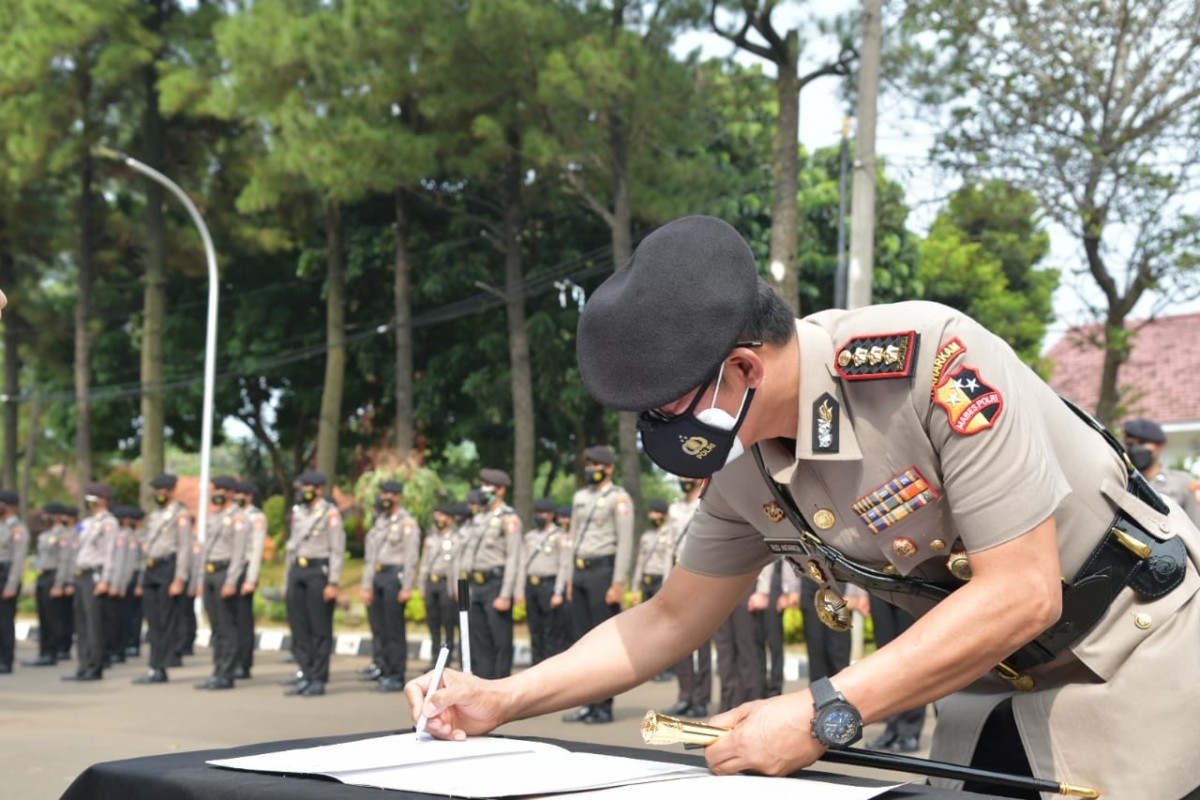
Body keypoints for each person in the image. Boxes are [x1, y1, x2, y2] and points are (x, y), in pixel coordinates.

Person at [405, 215, 1200, 800]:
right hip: (994, 681)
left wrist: (821, 712)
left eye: (666, 408)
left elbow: (1022, 589)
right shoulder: (742, 464)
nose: (660, 430)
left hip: (1139, 648)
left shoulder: (928, 366)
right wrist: (502, 698)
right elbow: (668, 618)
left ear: (742, 367)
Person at [561, 445, 634, 725]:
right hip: (580, 572)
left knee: (602, 643)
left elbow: (625, 542)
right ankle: (585, 702)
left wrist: (618, 582)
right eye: (588, 464)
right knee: (581, 642)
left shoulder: (619, 499)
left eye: (596, 465)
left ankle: (603, 705)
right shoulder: (580, 497)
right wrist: (568, 577)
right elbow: (573, 538)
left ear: (610, 468)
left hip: (602, 572)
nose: (591, 469)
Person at [454, 469, 521, 679]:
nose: (483, 490)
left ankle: (501, 690)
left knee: (500, 641)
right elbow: (468, 555)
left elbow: (513, 558)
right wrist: (463, 585)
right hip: (476, 585)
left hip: (496, 583)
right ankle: (483, 687)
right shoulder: (479, 518)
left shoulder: (509, 519)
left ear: (500, 490)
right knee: (479, 640)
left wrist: (505, 593)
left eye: (488, 486)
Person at [283, 470, 344, 697]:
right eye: (303, 486)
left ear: (318, 489)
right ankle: (306, 673)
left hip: (319, 572)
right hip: (298, 571)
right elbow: (292, 547)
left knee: (319, 628)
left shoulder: (330, 514)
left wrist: (333, 582)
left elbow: (337, 550)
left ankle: (318, 678)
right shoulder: (299, 512)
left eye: (309, 487)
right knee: (299, 627)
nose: (304, 491)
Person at [359, 480, 419, 692]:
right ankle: (383, 669)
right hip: (378, 576)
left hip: (395, 577)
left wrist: (407, 586)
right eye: (382, 493)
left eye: (389, 494)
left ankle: (396, 674)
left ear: (398, 496)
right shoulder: (380, 521)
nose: (384, 497)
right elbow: (370, 557)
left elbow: (411, 557)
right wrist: (366, 585)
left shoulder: (407, 523)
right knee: (379, 627)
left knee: (394, 630)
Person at [660, 477, 712, 718]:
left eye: (688, 478)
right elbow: (668, 546)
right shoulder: (675, 508)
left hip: (700, 574)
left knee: (700, 642)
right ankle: (684, 695)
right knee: (678, 639)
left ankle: (701, 698)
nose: (684, 481)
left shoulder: (707, 503)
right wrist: (665, 580)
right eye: (681, 478)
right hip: (677, 573)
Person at [135, 474, 193, 685]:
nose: (160, 494)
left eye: (164, 490)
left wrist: (180, 578)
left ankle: (161, 666)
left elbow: (185, 548)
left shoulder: (181, 515)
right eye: (157, 490)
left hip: (169, 567)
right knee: (153, 620)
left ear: (172, 491)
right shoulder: (155, 515)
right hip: (152, 568)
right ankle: (154, 665)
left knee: (165, 619)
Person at [196, 476, 249, 690]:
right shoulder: (214, 516)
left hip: (225, 573)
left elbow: (239, 554)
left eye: (220, 489)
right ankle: (217, 670)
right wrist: (200, 578)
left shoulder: (238, 518)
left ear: (230, 492)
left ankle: (226, 673)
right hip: (210, 572)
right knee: (216, 627)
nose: (216, 492)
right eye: (214, 489)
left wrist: (231, 581)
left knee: (227, 626)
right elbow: (205, 551)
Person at [64, 482, 119, 682]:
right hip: (80, 574)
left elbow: (110, 553)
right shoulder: (86, 523)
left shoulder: (109, 523)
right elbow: (75, 548)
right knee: (81, 623)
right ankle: (83, 664)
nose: (89, 502)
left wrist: (105, 579)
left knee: (94, 623)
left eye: (93, 498)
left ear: (102, 500)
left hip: (94, 575)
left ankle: (95, 666)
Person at [865, 597, 927, 753]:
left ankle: (909, 731)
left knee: (913, 659)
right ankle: (892, 728)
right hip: (879, 583)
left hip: (911, 581)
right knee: (886, 659)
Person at [515, 498, 571, 665]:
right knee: (535, 630)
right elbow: (522, 565)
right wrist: (519, 590)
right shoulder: (529, 537)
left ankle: (549, 668)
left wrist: (558, 591)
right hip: (532, 586)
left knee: (550, 632)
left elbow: (564, 565)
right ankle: (535, 665)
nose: (540, 516)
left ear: (551, 515)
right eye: (538, 513)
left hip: (550, 585)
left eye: (544, 513)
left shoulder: (560, 536)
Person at [1122, 417, 1200, 524]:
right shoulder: (1121, 481)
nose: (1136, 449)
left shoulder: (1185, 484)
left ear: (1161, 446)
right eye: (1130, 444)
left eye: (1143, 442)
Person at [24, 503, 73, 667]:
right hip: (42, 576)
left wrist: (60, 584)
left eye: (48, 514)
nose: (44, 517)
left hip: (54, 576)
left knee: (54, 618)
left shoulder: (63, 535)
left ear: (57, 516)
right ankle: (43, 652)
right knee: (43, 617)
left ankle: (52, 652)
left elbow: (64, 561)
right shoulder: (45, 534)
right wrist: (33, 582)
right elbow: (40, 559)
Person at [418, 503, 462, 669]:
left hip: (446, 584)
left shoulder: (456, 539)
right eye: (436, 516)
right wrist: (422, 586)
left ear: (450, 519)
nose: (438, 520)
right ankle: (435, 657)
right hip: (432, 583)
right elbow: (424, 564)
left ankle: (447, 659)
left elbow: (456, 566)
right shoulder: (430, 539)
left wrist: (455, 589)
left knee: (448, 623)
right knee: (433, 622)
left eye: (442, 516)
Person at [233, 479, 267, 679]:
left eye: (243, 494)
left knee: (243, 620)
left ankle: (243, 663)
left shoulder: (256, 518)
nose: (239, 498)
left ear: (250, 496)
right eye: (237, 494)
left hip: (245, 570)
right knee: (229, 621)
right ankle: (231, 659)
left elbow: (256, 550)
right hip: (230, 570)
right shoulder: (232, 516)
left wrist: (251, 578)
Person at [0, 490, 29, 674]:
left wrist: (11, 585)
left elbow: (18, 560)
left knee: (5, 621)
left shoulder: (18, 529)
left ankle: (6, 660)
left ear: (9, 506)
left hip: (6, 574)